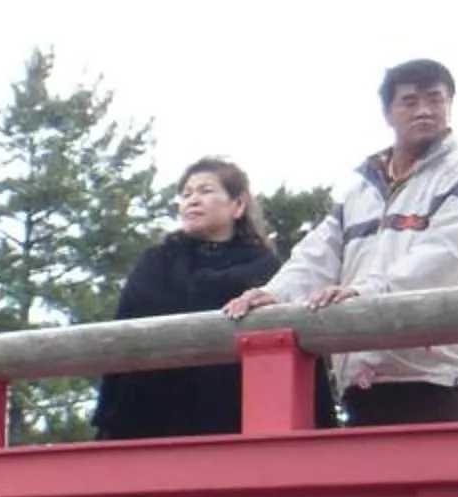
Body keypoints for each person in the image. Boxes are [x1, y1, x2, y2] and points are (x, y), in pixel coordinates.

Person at [221, 58, 458, 423]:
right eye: (410, 101)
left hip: (441, 375)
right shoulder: (360, 188)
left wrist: (367, 292)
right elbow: (319, 253)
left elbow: (449, 256)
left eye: (436, 99)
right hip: (365, 375)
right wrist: (276, 294)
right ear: (388, 113)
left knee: (437, 479)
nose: (425, 111)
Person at [92, 157, 331, 438]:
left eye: (205, 191)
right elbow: (129, 326)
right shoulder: (156, 262)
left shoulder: (266, 270)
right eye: (186, 194)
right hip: (157, 416)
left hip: (238, 418)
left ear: (237, 205)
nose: (193, 200)